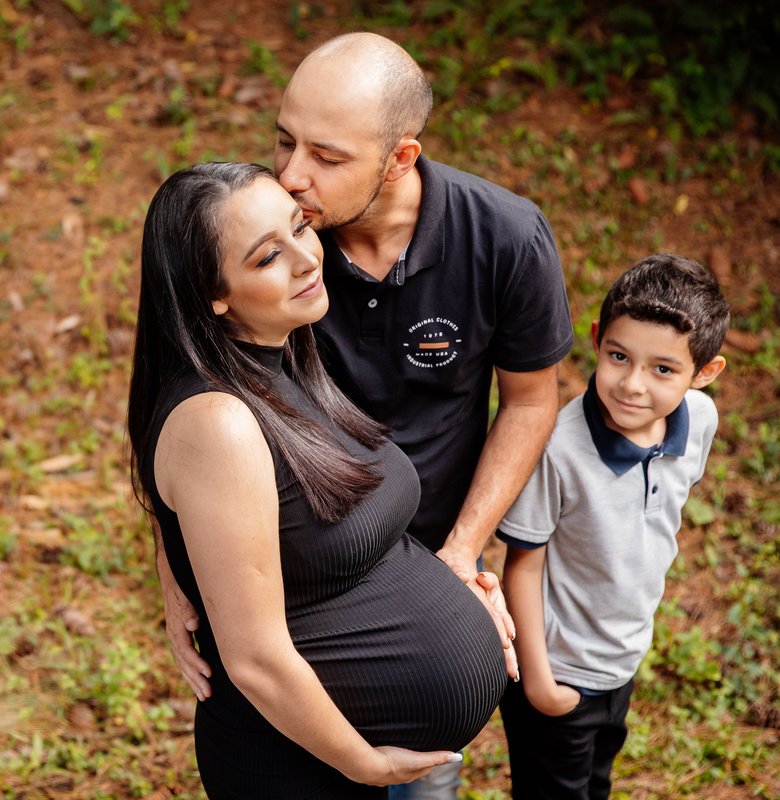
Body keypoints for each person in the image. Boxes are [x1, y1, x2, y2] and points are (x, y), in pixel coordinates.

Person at [155, 32, 574, 798]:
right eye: (284, 141)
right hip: (295, 567)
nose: (291, 176)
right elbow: (188, 395)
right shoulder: (272, 247)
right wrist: (175, 557)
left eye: (327, 156)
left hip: (431, 544)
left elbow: (531, 400)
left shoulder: (505, 237)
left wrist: (461, 554)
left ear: (401, 159)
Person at [129, 162, 508, 798]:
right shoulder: (219, 421)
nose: (308, 258)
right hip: (301, 770)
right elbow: (255, 659)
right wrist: (365, 764)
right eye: (268, 257)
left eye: (302, 227)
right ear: (212, 295)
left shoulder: (287, 357)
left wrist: (454, 585)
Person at [497, 254, 728, 799]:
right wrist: (539, 683)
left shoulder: (701, 421)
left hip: (621, 660)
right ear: (597, 339)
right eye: (619, 356)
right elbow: (523, 564)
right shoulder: (558, 447)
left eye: (663, 369)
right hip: (559, 670)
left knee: (596, 784)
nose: (632, 384)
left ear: (705, 373)